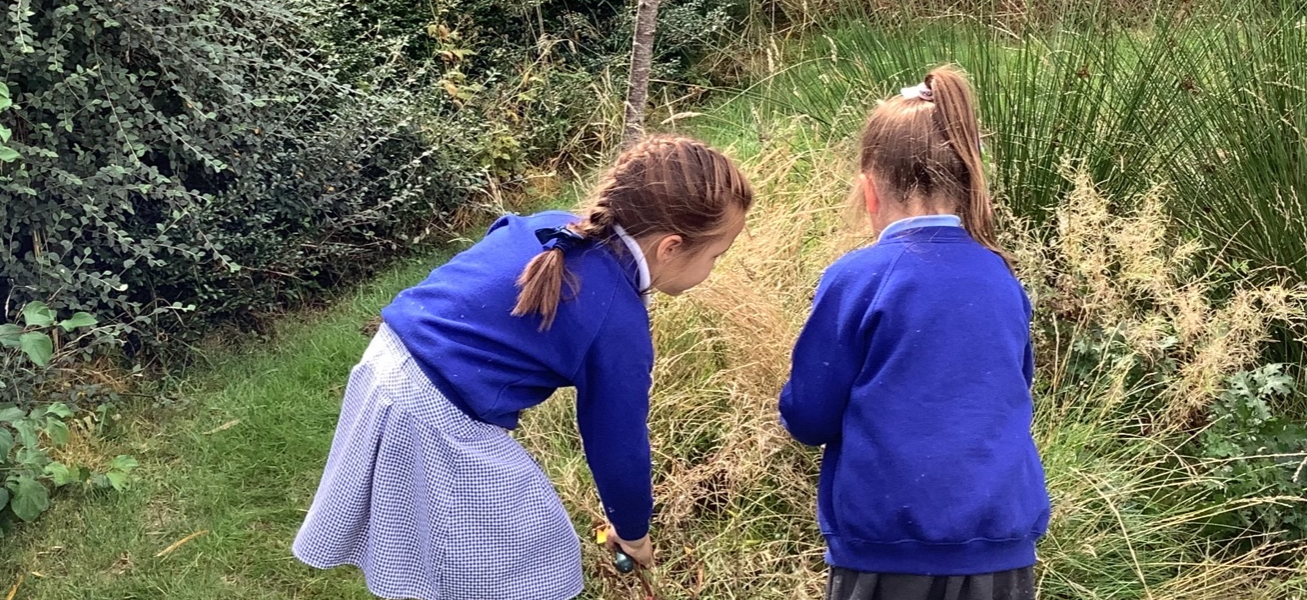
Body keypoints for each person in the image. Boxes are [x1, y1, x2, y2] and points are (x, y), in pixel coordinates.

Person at [294, 134, 754, 600]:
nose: (713, 268)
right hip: (433, 409)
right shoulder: (618, 322)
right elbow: (618, 441)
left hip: (387, 364)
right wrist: (633, 532)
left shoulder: (555, 228)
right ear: (670, 247)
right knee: (528, 558)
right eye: (716, 255)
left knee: (452, 533)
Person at [778, 66, 1047, 600]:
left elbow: (809, 417)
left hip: (888, 547)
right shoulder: (1000, 277)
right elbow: (1016, 389)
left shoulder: (857, 277)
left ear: (869, 190)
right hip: (1002, 546)